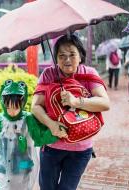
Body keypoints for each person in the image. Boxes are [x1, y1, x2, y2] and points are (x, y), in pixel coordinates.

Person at [31, 34, 110, 190]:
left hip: (81, 151)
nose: (67, 60)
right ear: (56, 59)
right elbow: (35, 106)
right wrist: (52, 124)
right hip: (52, 146)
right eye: (61, 56)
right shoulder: (49, 74)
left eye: (72, 55)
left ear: (80, 56)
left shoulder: (89, 73)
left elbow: (105, 103)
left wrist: (76, 101)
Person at [0, 79, 57, 190]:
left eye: (16, 107)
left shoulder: (28, 119)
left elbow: (40, 137)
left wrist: (56, 131)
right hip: (0, 168)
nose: (12, 111)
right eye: (8, 107)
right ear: (3, 103)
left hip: (21, 169)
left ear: (23, 102)